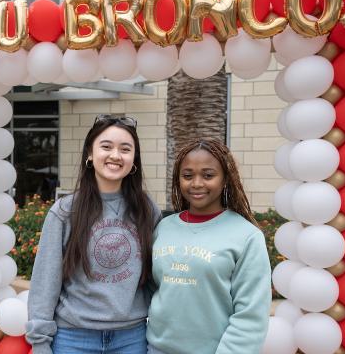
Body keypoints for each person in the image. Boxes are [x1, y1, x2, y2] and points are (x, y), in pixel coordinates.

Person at [26, 114, 161, 354]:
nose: (115, 156)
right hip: (73, 338)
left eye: (125, 149)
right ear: (90, 153)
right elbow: (46, 280)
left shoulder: (147, 210)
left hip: (131, 338)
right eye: (106, 147)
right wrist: (40, 342)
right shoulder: (66, 211)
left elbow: (155, 278)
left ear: (134, 160)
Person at [147, 139, 271, 354]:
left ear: (225, 180)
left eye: (208, 175)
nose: (196, 183)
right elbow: (152, 290)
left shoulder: (247, 235)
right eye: (187, 175)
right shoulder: (163, 228)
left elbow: (251, 314)